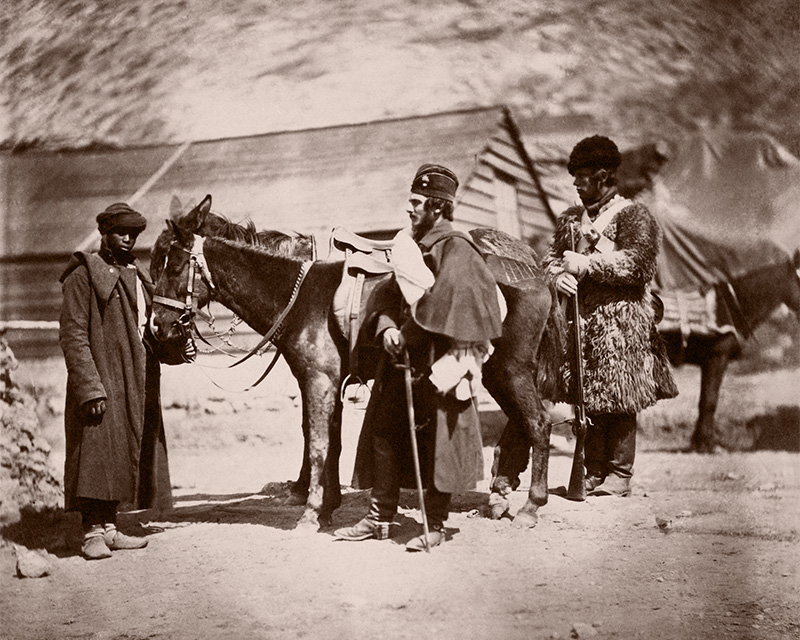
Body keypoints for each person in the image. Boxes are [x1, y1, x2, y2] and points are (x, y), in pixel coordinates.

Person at [334, 164, 503, 551]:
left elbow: (445, 305)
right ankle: (379, 517)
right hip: (401, 363)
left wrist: (406, 333)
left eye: (416, 202)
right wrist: (386, 329)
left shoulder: (457, 249)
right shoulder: (410, 247)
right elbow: (391, 297)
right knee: (384, 433)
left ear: (437, 208)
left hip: (441, 367)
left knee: (438, 445)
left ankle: (436, 524)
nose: (409, 209)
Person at [544, 135, 678, 497]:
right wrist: (558, 277)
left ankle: (619, 474)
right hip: (581, 323)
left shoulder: (634, 215)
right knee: (588, 398)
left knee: (620, 397)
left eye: (583, 177)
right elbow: (551, 261)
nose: (576, 183)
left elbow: (639, 264)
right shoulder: (571, 220)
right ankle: (593, 470)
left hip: (621, 325)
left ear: (603, 176)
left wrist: (589, 263)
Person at [59, 202, 174, 560]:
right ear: (104, 234)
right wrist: (89, 386)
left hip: (134, 379)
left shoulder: (139, 277)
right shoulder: (82, 276)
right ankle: (91, 532)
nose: (127, 238)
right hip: (102, 374)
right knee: (95, 451)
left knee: (121, 451)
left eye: (133, 233)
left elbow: (148, 327)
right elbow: (73, 334)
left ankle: (110, 527)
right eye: (120, 232)